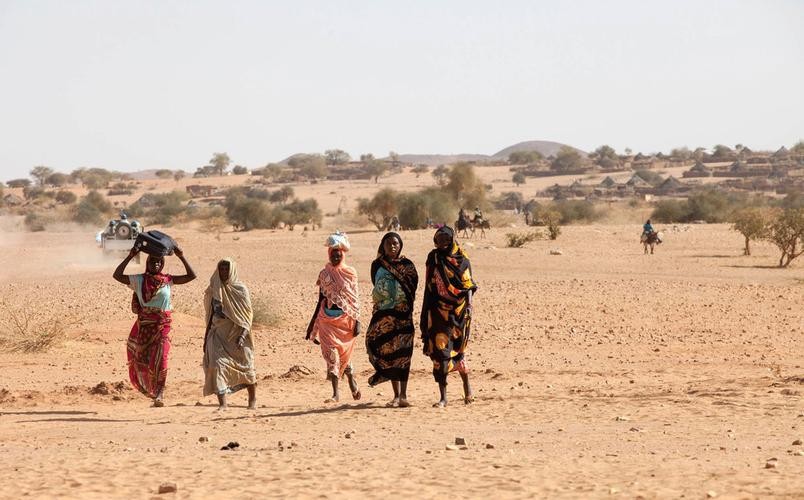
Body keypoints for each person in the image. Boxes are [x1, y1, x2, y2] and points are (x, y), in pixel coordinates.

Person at [113, 244, 196, 407]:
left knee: (162, 358)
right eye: (153, 261)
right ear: (147, 263)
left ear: (163, 264)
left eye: (159, 262)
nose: (156, 265)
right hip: (145, 326)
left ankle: (160, 393)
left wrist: (181, 256)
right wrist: (131, 256)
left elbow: (191, 276)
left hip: (162, 325)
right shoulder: (139, 279)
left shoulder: (168, 280)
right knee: (144, 361)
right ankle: (150, 390)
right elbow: (117, 275)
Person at [420, 226, 478, 407]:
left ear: (452, 239)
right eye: (439, 240)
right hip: (437, 313)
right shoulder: (434, 257)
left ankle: (467, 387)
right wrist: (427, 311)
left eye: (446, 239)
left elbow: (468, 284)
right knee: (440, 354)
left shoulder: (462, 258)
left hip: (458, 313)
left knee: (459, 351)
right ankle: (443, 397)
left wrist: (468, 305)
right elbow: (429, 284)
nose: (443, 243)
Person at [306, 232, 362, 403]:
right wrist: (312, 327)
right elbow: (321, 300)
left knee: (344, 356)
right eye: (332, 254)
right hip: (326, 321)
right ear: (329, 255)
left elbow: (355, 299)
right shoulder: (324, 274)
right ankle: (336, 393)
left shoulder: (350, 273)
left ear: (343, 254)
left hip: (345, 321)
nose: (336, 256)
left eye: (338, 254)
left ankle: (352, 380)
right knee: (332, 357)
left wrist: (358, 321)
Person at [366, 232, 418, 408]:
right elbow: (376, 284)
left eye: (395, 243)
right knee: (386, 351)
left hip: (403, 316)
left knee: (403, 355)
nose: (392, 246)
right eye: (388, 244)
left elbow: (412, 287)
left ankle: (403, 395)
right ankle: (395, 395)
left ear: (400, 245)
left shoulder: (408, 265)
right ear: (383, 246)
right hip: (384, 315)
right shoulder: (377, 265)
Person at [203, 258, 256, 411]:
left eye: (227, 269)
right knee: (216, 365)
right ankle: (223, 404)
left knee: (246, 366)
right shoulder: (214, 289)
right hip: (218, 334)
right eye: (221, 269)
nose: (224, 272)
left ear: (232, 270)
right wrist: (206, 339)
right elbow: (210, 315)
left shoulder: (240, 289)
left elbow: (247, 316)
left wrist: (242, 335)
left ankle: (252, 399)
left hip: (238, 334)